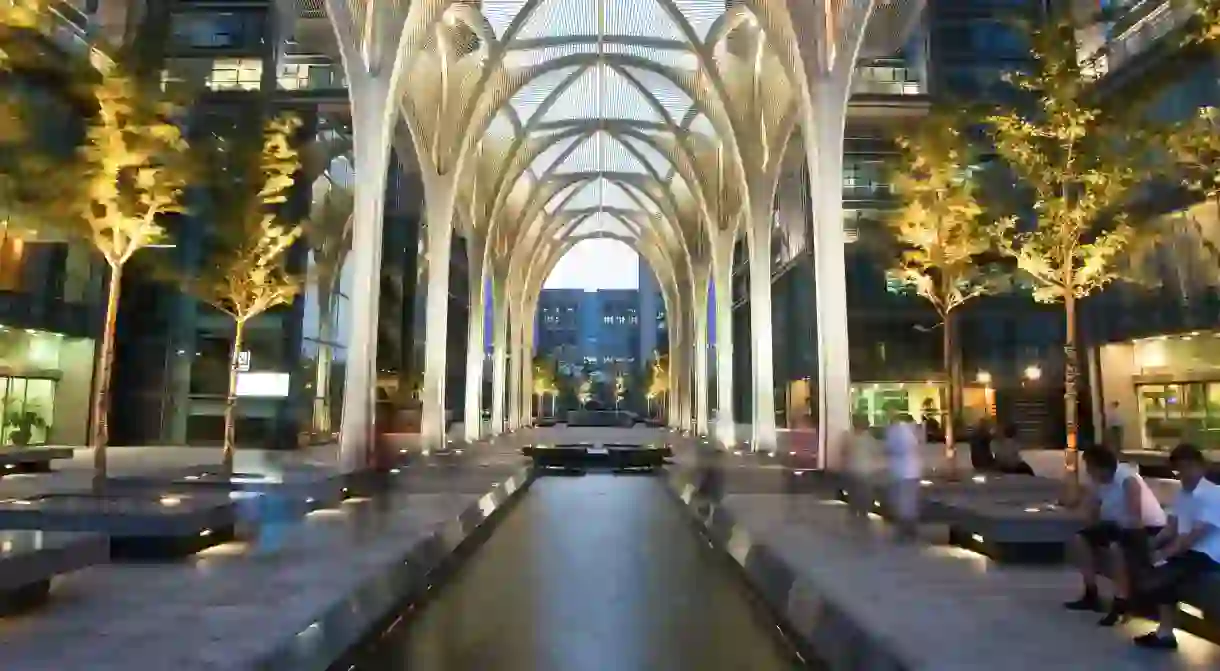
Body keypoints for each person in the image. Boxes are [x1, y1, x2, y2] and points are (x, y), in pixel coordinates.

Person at [1065, 447, 1166, 626]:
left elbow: (1136, 517)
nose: (1087, 471)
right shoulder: (1098, 481)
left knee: (1115, 548)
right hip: (1115, 525)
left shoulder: (1127, 479)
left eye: (1089, 466)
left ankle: (1121, 600)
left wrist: (1118, 537)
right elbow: (1091, 512)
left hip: (1145, 527)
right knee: (1080, 539)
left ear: (1101, 467)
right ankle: (1091, 593)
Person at [1132, 443, 1220, 650]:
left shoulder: (1214, 494)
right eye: (1180, 469)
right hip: (1189, 553)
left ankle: (1163, 630)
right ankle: (1165, 633)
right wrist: (1152, 546)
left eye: (1189, 467)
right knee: (1151, 565)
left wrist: (1165, 553)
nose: (1184, 474)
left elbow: (1194, 536)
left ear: (1201, 466)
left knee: (1161, 573)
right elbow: (1171, 527)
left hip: (1209, 555)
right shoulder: (1182, 494)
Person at [885, 412, 922, 542]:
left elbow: (891, 448)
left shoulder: (897, 431)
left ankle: (905, 531)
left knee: (902, 502)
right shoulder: (912, 431)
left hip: (900, 473)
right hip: (912, 472)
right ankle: (910, 530)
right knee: (909, 502)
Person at [844, 414, 883, 520]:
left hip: (851, 469)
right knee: (864, 495)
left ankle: (854, 514)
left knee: (853, 495)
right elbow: (877, 453)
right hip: (865, 471)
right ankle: (863, 514)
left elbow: (844, 452)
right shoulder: (869, 439)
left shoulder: (848, 436)